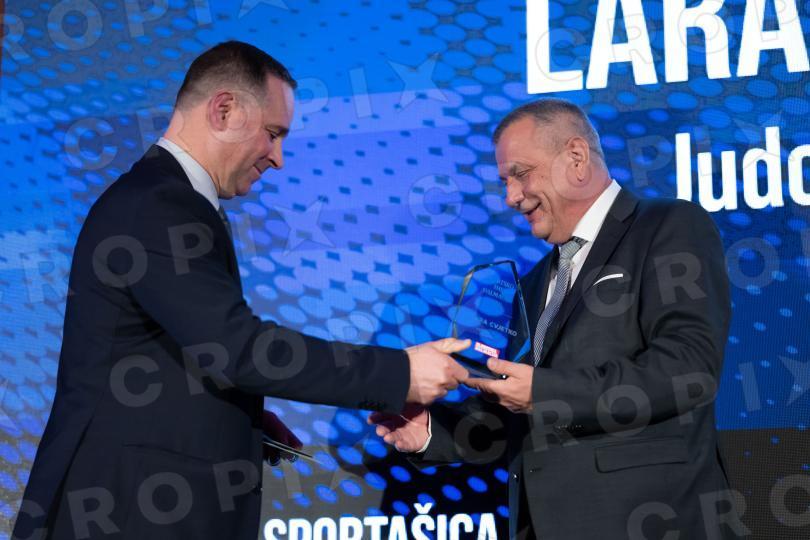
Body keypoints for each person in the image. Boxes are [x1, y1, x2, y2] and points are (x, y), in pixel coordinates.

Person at [12, 41, 469, 540]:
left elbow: (167, 352)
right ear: (224, 110)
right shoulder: (159, 206)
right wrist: (399, 373)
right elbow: (237, 349)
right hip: (127, 512)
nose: (278, 159)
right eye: (273, 134)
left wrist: (234, 418)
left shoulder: (165, 200)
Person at [370, 99, 745, 539]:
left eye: (521, 174)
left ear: (577, 157)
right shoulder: (532, 283)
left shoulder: (667, 226)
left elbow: (687, 369)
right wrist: (433, 431)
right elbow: (519, 411)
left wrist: (543, 392)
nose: (511, 197)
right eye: (505, 181)